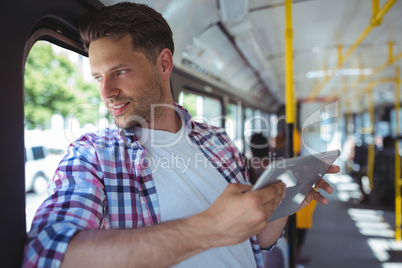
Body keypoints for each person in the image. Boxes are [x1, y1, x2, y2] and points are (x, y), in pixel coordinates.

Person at [23, 3, 338, 267]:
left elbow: (256, 239)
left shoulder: (218, 142)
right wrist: (207, 229)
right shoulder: (93, 156)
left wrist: (284, 202)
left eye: (119, 71)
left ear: (163, 64)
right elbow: (45, 254)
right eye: (98, 77)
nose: (106, 91)